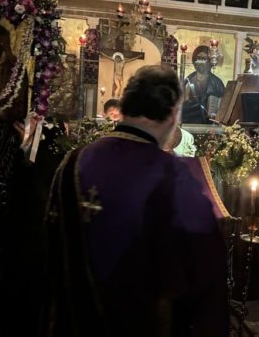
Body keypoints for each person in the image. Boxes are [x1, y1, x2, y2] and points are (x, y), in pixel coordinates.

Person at [44, 65, 228, 337]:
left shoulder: (73, 161)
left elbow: (49, 249)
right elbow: (206, 271)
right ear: (173, 113)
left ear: (125, 106)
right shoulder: (171, 175)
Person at [181, 45, 225, 124]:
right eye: (199, 58)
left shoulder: (217, 83)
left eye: (204, 58)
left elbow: (223, 107)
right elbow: (181, 104)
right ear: (194, 60)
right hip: (189, 123)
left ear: (209, 62)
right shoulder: (188, 81)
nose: (201, 62)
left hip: (210, 124)